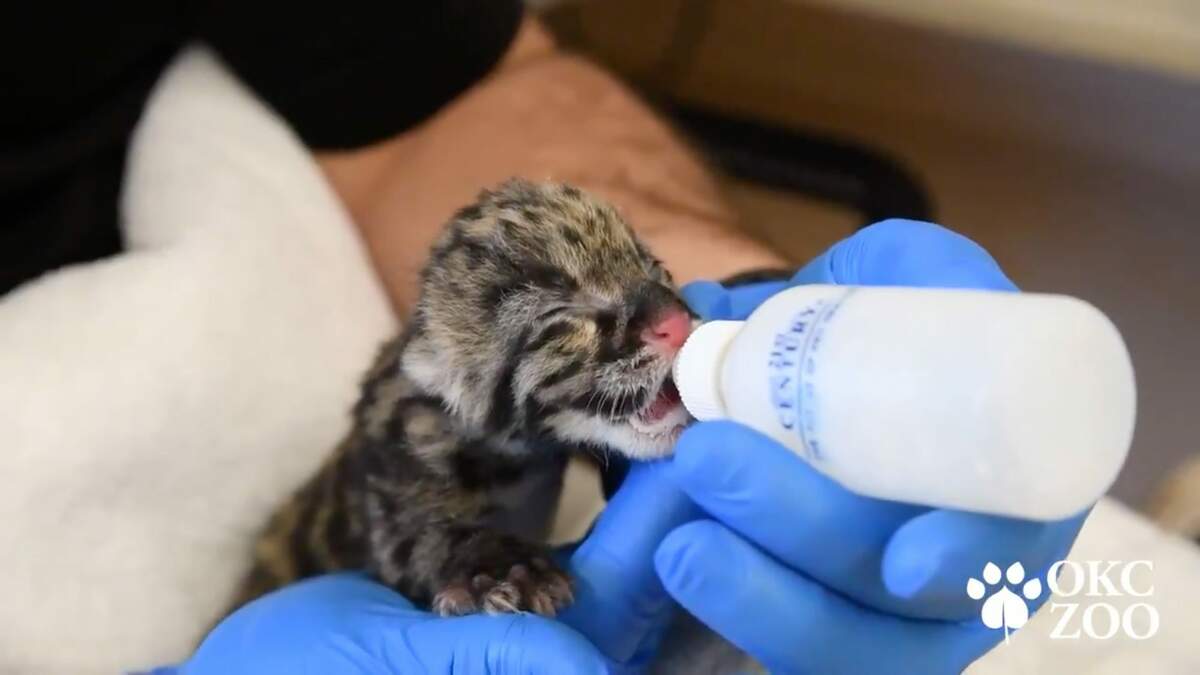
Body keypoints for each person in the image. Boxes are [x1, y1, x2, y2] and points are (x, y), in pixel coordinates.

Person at [5, 4, 1085, 673]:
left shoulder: (528, 371)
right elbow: (420, 529)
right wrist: (476, 565)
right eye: (573, 324)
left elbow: (440, 91)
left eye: (650, 278)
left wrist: (786, 329)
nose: (669, 321)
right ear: (462, 375)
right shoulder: (427, 420)